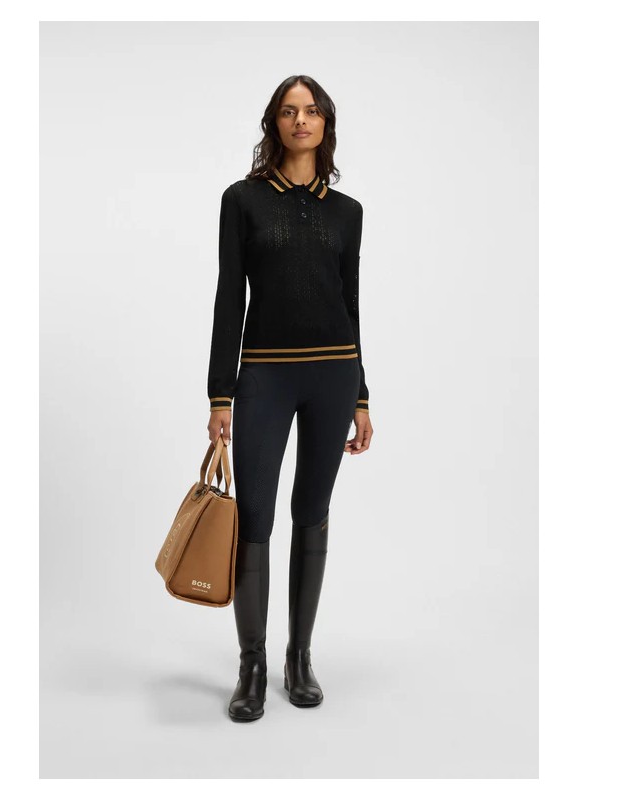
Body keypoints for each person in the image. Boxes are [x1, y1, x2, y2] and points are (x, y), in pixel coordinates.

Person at [206, 75, 374, 722]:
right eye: (287, 111)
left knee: (313, 510)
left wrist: (361, 395)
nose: (300, 120)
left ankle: (299, 657)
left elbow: (351, 304)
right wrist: (221, 393)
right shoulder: (243, 200)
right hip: (265, 377)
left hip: (333, 375)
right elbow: (229, 299)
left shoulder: (347, 211)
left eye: (311, 110)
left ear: (325, 122)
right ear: (273, 124)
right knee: (255, 515)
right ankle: (251, 665)